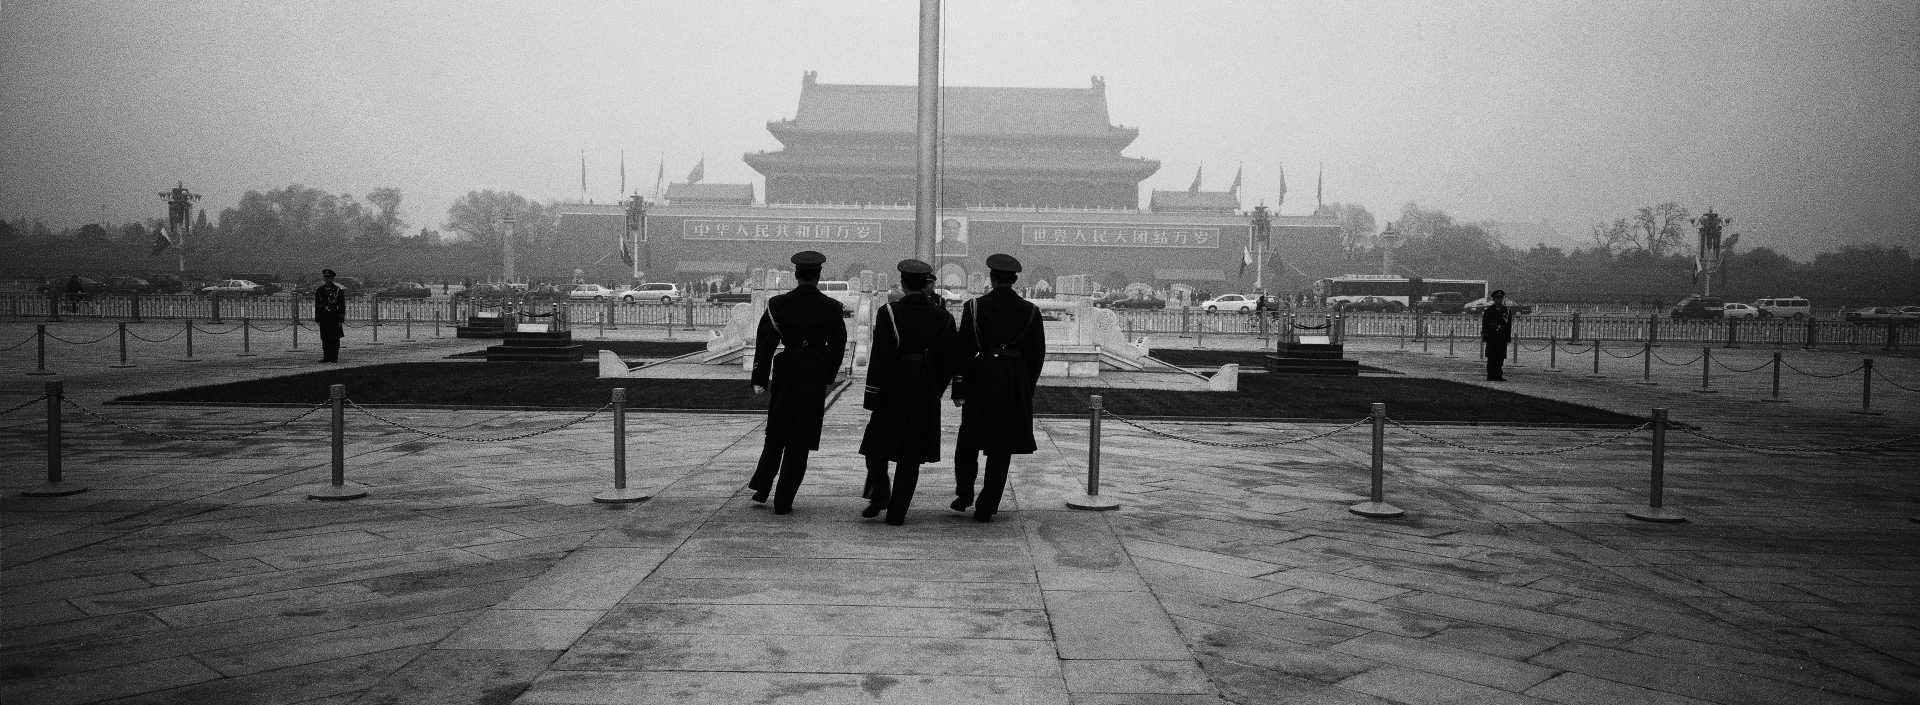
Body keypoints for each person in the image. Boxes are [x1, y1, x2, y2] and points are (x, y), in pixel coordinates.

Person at [748, 251, 848, 515]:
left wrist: (759, 378)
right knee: (800, 441)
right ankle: (784, 499)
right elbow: (838, 347)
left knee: (776, 433)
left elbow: (765, 345)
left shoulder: (778, 305)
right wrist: (828, 373)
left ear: (796, 274)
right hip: (813, 375)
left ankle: (762, 485)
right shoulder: (831, 307)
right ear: (818, 275)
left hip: (787, 371)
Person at [858, 259, 957, 525]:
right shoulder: (943, 317)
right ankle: (897, 512)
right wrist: (936, 389)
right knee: (910, 457)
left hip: (892, 387)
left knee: (874, 448)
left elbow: (879, 358)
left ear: (902, 284)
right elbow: (949, 361)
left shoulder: (888, 313)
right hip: (924, 389)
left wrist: (872, 395)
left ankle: (880, 492)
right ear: (926, 284)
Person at [950, 254, 1046, 523]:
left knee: (968, 440)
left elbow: (964, 349)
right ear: (1014, 280)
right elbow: (1037, 355)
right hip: (1013, 382)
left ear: (991, 279)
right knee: (1000, 448)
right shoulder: (1030, 311)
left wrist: (959, 387)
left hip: (981, 378)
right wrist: (1026, 385)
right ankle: (987, 503)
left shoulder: (974, 307)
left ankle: (964, 492)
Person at [314, 269, 347, 363]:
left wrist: (341, 318)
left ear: (332, 278)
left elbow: (341, 305)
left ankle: (334, 357)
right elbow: (317, 304)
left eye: (329, 277)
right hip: (324, 317)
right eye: (325, 277)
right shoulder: (320, 290)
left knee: (334, 338)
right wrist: (317, 318)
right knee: (325, 338)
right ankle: (326, 357)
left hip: (334, 317)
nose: (327, 279)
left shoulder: (337, 290)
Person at [1480, 288, 1513, 381]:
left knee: (1500, 358)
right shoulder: (1489, 311)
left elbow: (1508, 325)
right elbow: (1485, 324)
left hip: (1501, 338)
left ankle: (1498, 375)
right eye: (1497, 298)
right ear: (1494, 299)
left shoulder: (1506, 311)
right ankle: (1490, 375)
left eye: (1500, 298)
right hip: (1492, 337)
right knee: (1491, 357)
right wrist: (1485, 335)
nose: (1499, 299)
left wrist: (1508, 337)